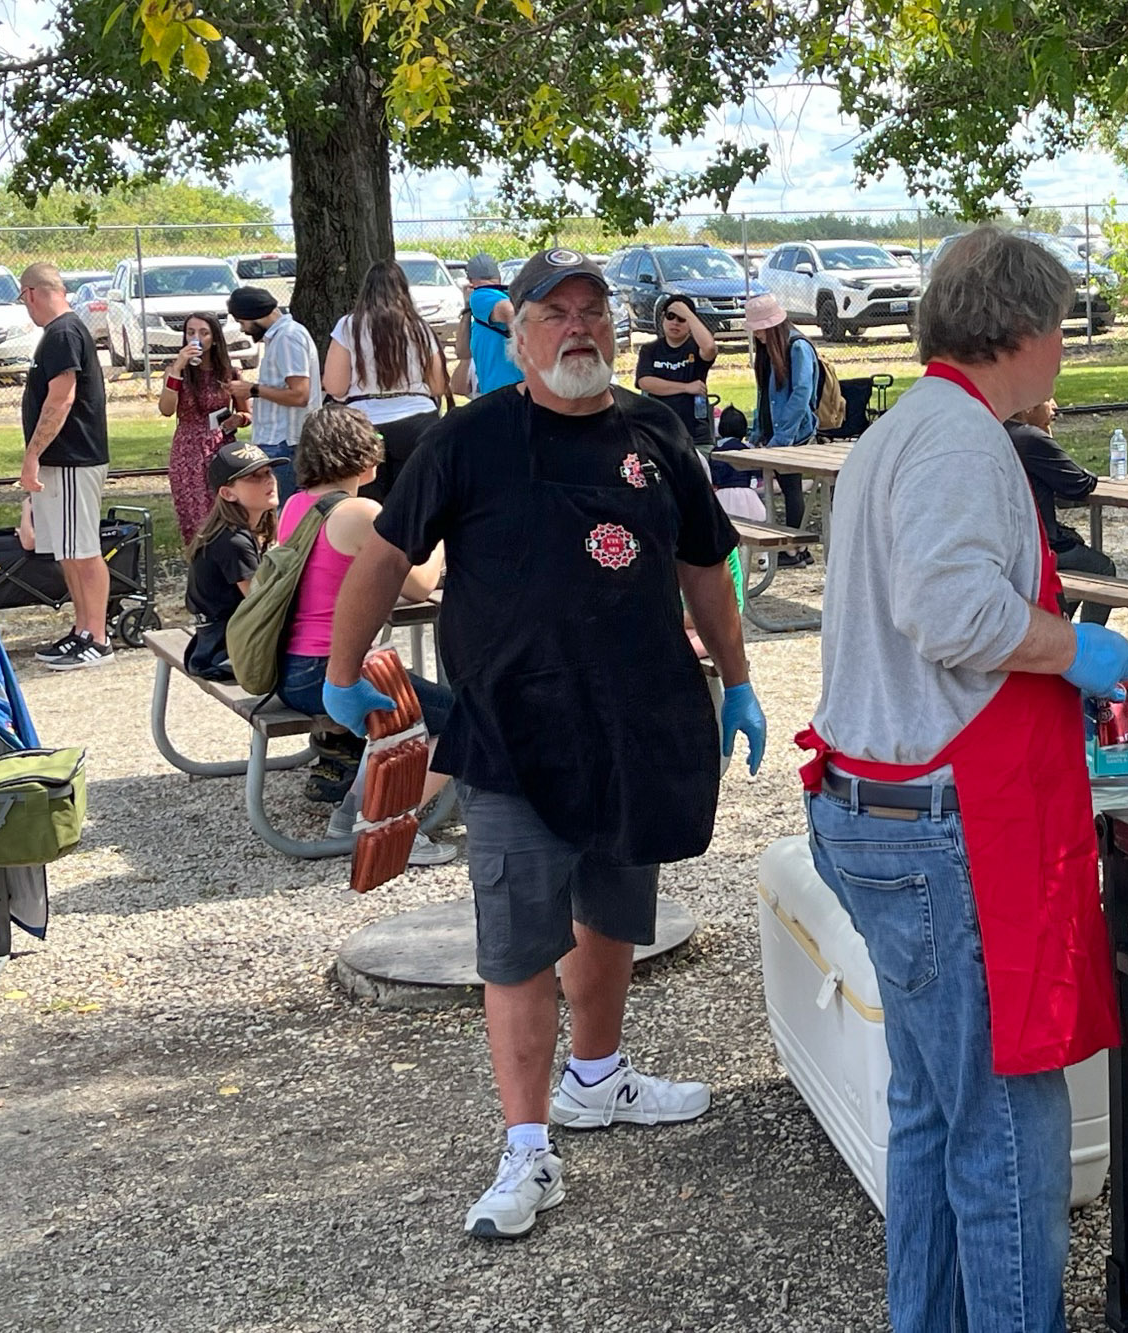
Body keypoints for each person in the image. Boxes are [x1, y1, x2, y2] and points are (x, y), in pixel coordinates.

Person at [319, 248, 765, 1240]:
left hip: (637, 726)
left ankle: (596, 1078)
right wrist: (341, 673)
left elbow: (704, 566)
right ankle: (526, 1148)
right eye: (555, 311)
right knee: (520, 942)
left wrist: (737, 682)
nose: (579, 327)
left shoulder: (654, 431)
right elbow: (382, 552)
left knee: (613, 911)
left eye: (594, 311)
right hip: (514, 733)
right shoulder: (468, 439)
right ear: (513, 332)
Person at [801, 228, 1128, 1333]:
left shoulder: (906, 428)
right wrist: (1073, 649)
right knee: (1004, 1125)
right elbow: (950, 615)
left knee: (931, 1110)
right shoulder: (955, 439)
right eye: (1063, 331)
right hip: (935, 827)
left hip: (882, 807)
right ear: (1025, 329)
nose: (1065, 353)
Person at [274, 406, 456, 857]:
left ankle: (350, 815)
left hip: (293, 669)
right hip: (334, 669)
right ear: (362, 456)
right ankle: (390, 823)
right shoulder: (358, 511)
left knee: (412, 714)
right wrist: (441, 536)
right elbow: (418, 586)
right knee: (463, 723)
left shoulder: (298, 506)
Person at [18, 262, 113, 671]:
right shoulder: (58, 334)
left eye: (24, 299)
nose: (26, 307)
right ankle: (81, 630)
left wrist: (32, 454)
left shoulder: (63, 332)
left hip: (74, 457)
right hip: (61, 461)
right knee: (68, 552)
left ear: (33, 293)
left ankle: (99, 636)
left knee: (84, 551)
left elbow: (62, 398)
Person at [324, 260, 448, 502]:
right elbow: (438, 384)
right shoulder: (419, 327)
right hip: (417, 421)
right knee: (416, 504)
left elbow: (335, 386)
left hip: (365, 424)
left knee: (369, 504)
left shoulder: (348, 326)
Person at [1006, 398, 1113, 624]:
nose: (1055, 406)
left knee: (1077, 552)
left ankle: (1061, 627)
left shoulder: (1000, 431)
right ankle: (1084, 642)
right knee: (1102, 569)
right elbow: (1080, 483)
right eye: (1047, 399)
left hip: (1011, 542)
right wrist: (1046, 437)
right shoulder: (1029, 438)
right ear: (1027, 406)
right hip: (1039, 546)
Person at [182, 442, 278, 680]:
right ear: (228, 493)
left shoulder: (246, 530)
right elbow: (262, 604)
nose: (269, 480)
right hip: (221, 647)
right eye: (254, 477)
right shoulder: (233, 540)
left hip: (227, 634)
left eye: (268, 472)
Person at [160, 313, 251, 543]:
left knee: (225, 511)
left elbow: (247, 414)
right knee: (195, 516)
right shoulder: (175, 371)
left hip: (221, 446)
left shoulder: (229, 373)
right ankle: (199, 566)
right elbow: (167, 409)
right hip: (188, 449)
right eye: (190, 332)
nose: (196, 338)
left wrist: (238, 419)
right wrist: (178, 369)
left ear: (215, 338)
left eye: (203, 333)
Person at [227, 286, 320, 502]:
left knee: (281, 512)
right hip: (279, 441)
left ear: (254, 314)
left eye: (242, 322)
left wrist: (253, 389)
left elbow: (299, 395)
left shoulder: (287, 338)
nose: (243, 330)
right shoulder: (281, 336)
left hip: (284, 443)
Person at [745, 293, 819, 553]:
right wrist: (756, 431)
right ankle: (795, 549)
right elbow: (763, 394)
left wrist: (783, 437)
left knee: (791, 487)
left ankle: (795, 549)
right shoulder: (768, 350)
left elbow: (802, 393)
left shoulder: (797, 347)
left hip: (793, 433)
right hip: (772, 432)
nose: (757, 336)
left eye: (760, 330)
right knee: (789, 487)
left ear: (772, 325)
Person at [636, 294, 717, 452]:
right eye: (670, 316)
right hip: (659, 432)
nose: (675, 322)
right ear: (663, 318)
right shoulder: (650, 350)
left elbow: (710, 348)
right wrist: (686, 387)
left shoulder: (696, 348)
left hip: (695, 435)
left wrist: (688, 313)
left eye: (681, 319)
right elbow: (645, 383)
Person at [453, 253, 521, 398]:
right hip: (516, 389)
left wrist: (522, 347)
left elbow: (508, 311)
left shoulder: (481, 295)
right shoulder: (507, 295)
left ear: (470, 280)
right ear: (499, 277)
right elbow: (463, 352)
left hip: (502, 392)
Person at [708, 404, 766, 525]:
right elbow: (758, 472)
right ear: (744, 430)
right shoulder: (746, 450)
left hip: (723, 494)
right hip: (746, 494)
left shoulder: (717, 451)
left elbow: (714, 475)